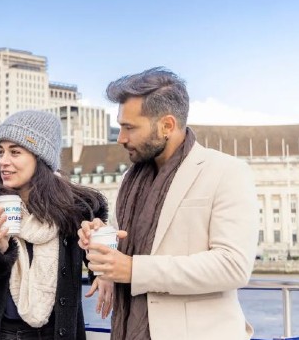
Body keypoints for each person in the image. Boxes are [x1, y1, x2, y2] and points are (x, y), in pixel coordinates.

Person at [78, 68, 259, 340]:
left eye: (129, 127)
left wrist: (133, 270)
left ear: (167, 126)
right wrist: (102, 242)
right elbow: (132, 246)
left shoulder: (227, 171)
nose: (121, 138)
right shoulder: (131, 178)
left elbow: (233, 266)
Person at [0, 110, 110, 340]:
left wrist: (102, 261)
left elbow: (99, 265)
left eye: (15, 152)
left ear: (41, 158)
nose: (3, 161)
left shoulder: (77, 211)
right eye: (0, 152)